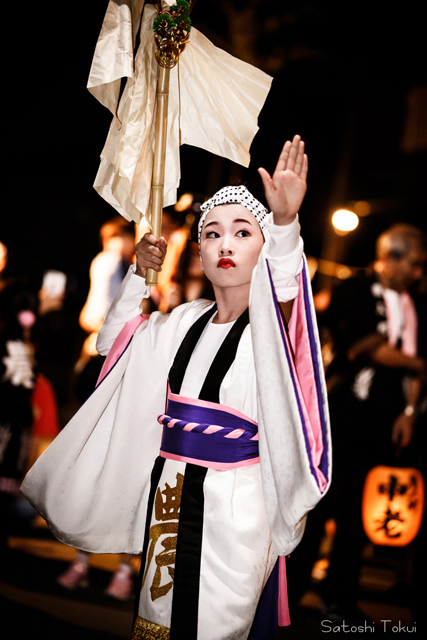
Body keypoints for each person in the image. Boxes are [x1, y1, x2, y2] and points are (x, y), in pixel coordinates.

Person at [21, 136, 331, 639]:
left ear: (264, 246)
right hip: (168, 494)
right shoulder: (180, 322)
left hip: (239, 504)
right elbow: (113, 344)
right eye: (211, 234)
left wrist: (286, 224)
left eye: (242, 233)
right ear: (198, 253)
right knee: (157, 626)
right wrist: (141, 276)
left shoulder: (274, 330)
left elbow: (290, 299)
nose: (225, 244)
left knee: (214, 625)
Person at [292, 223, 426, 621]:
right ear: (390, 257)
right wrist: (418, 364)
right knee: (320, 505)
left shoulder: (416, 303)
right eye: (414, 265)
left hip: (387, 422)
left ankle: (340, 598)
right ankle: (292, 591)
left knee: (358, 514)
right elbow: (364, 346)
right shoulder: (354, 288)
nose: (418, 273)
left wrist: (408, 413)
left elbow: (416, 362)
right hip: (341, 415)